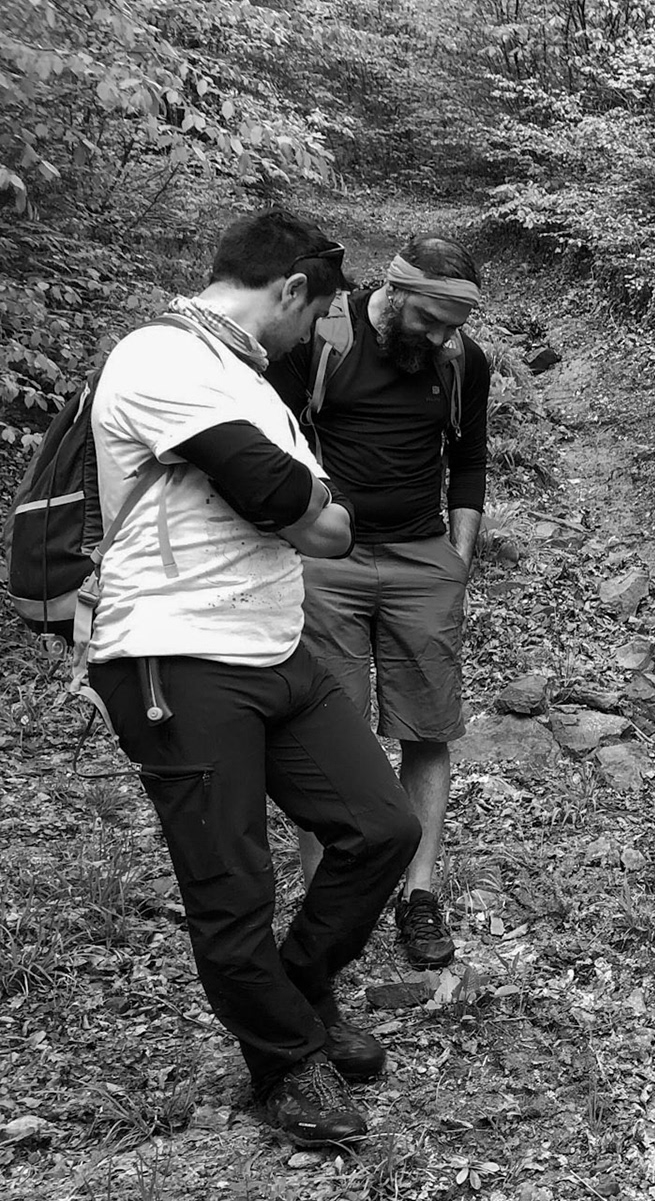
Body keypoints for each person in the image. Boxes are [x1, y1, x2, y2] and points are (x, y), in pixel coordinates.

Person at [86, 209, 421, 1145]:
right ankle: (285, 1067)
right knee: (231, 886)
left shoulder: (249, 380)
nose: (315, 338)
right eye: (315, 319)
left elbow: (332, 524)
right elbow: (286, 498)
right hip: (176, 657)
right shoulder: (158, 358)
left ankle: (297, 994)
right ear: (289, 290)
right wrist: (294, 498)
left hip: (278, 648)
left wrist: (295, 497)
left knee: (380, 827)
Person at [267, 237, 492, 970]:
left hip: (423, 559)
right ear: (394, 293)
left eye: (451, 326)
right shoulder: (323, 342)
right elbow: (276, 441)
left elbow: (468, 458)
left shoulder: (463, 362)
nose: (440, 337)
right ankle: (328, 894)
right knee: (327, 731)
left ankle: (418, 894)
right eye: (430, 320)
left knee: (427, 729)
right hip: (327, 561)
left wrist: (458, 556)